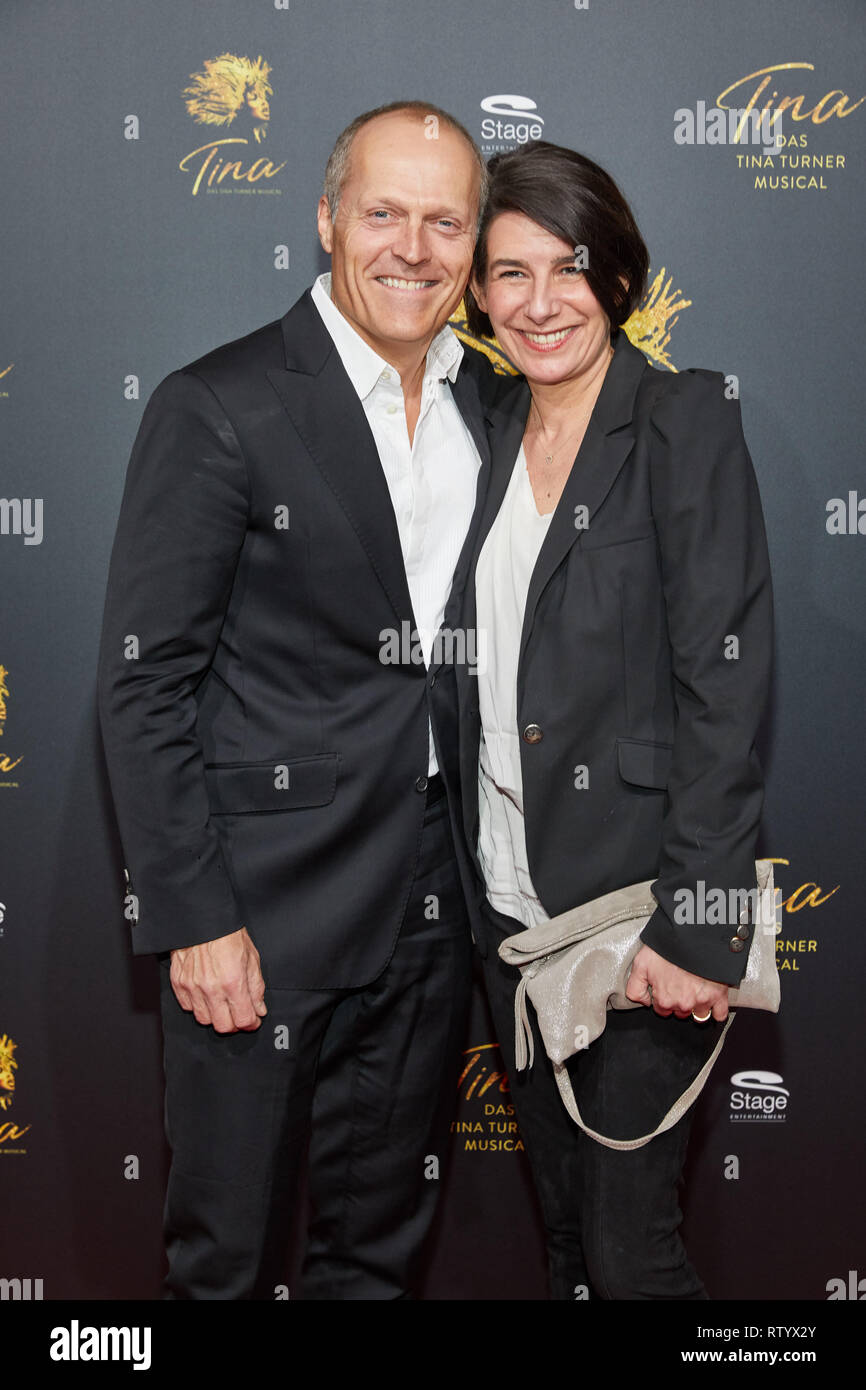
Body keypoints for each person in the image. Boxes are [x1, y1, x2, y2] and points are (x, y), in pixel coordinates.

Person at [96, 100, 502, 1300]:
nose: (411, 249)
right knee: (224, 1260)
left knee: (376, 1257)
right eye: (382, 213)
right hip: (258, 918)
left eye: (444, 222)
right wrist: (195, 916)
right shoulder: (219, 404)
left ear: (475, 248)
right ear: (325, 220)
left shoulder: (496, 407)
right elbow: (143, 679)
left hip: (433, 908)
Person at [456, 140, 773, 1300]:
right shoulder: (482, 431)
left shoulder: (681, 420)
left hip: (641, 912)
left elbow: (725, 684)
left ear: (617, 277)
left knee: (631, 1255)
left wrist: (699, 927)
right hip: (510, 912)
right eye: (508, 273)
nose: (539, 303)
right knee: (564, 1243)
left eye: (567, 268)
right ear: (477, 294)